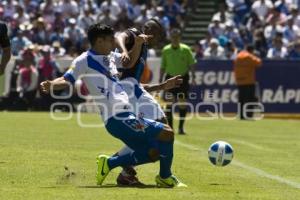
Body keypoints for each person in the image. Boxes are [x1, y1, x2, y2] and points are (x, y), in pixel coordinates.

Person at [40, 23, 186, 188]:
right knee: (167, 133)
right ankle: (165, 178)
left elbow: (130, 62)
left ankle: (109, 163)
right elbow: (67, 78)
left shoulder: (110, 57)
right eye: (110, 40)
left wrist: (137, 45)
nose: (113, 44)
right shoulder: (84, 59)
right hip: (116, 117)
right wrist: (52, 83)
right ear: (100, 41)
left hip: (126, 115)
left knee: (155, 151)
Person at [114, 18, 173, 185]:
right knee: (162, 126)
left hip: (131, 90)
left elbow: (135, 83)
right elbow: (119, 36)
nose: (153, 34)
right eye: (151, 28)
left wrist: (162, 85)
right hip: (130, 90)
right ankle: (164, 176)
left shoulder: (143, 47)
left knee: (147, 137)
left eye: (157, 33)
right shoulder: (136, 34)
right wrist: (124, 50)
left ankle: (124, 170)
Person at [160, 28, 196, 135]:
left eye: (177, 37)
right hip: (170, 78)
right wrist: (160, 78)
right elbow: (163, 65)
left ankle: (181, 128)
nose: (175, 39)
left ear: (180, 38)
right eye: (173, 37)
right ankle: (170, 127)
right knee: (169, 104)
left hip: (182, 79)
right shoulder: (166, 50)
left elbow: (192, 64)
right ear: (170, 38)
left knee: (182, 103)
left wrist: (193, 77)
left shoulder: (186, 49)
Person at [233, 44, 262, 120]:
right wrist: (255, 56)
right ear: (252, 50)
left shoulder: (238, 56)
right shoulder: (250, 56)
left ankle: (241, 115)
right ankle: (248, 115)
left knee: (241, 99)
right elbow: (259, 63)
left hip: (239, 81)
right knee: (249, 99)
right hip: (249, 81)